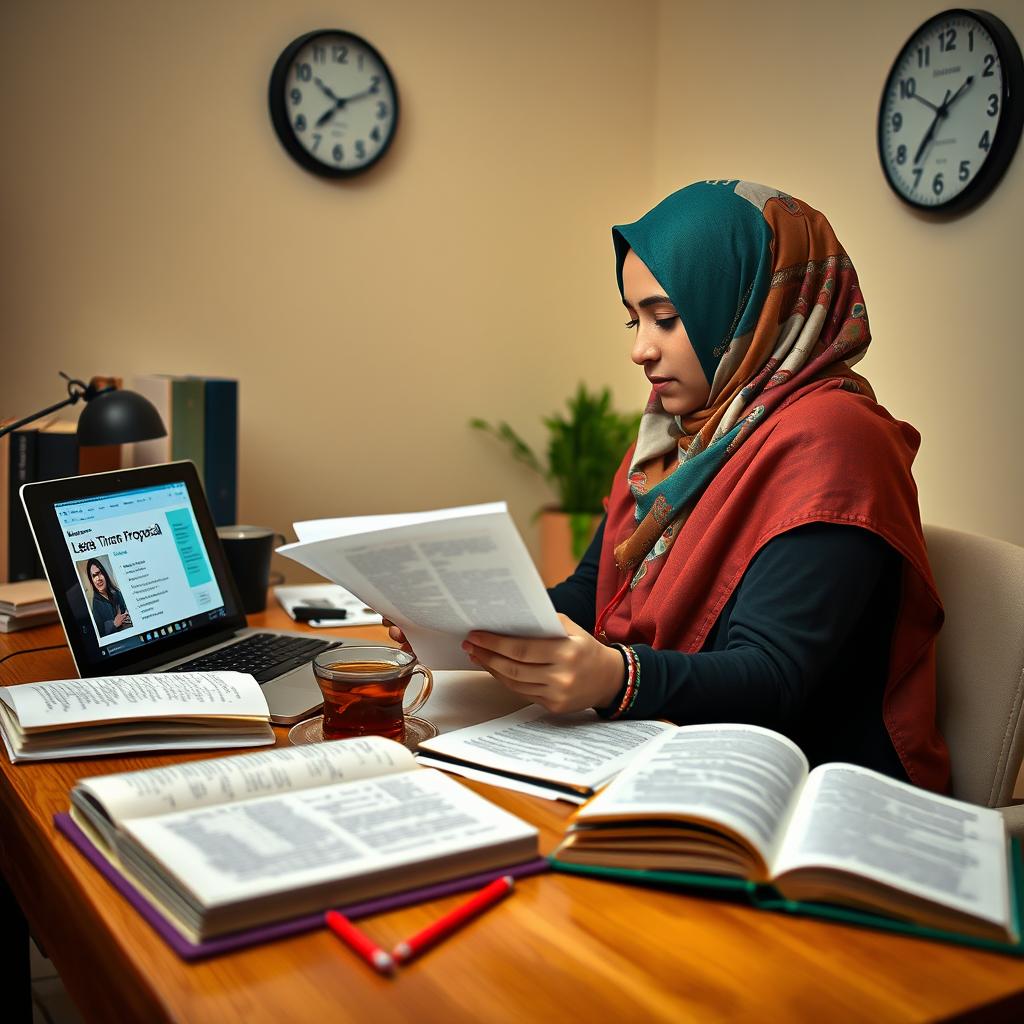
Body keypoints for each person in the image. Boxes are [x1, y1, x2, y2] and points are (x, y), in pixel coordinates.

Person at [391, 180, 950, 792]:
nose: (640, 350)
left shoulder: (836, 441)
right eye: (634, 320)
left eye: (666, 317)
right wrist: (459, 617)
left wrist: (614, 678)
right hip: (658, 748)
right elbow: (592, 597)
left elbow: (777, 680)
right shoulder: (672, 438)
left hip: (798, 793)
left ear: (750, 303)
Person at [85, 557, 132, 636]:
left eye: (99, 573)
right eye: (94, 576)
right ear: (91, 580)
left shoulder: (117, 593)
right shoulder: (96, 605)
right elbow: (100, 633)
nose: (98, 579)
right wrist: (114, 624)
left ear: (105, 574)